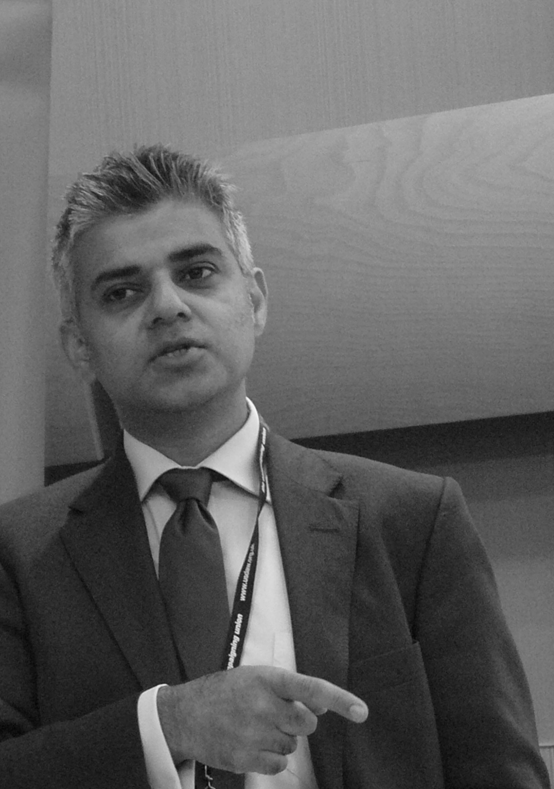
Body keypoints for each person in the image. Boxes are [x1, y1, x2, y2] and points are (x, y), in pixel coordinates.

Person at [0, 144, 548, 789]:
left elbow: (502, 773)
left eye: (197, 272)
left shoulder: (413, 521)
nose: (168, 306)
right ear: (78, 346)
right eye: (123, 292)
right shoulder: (19, 554)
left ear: (255, 300)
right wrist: (168, 725)